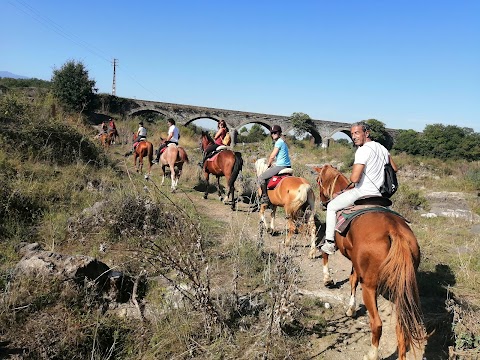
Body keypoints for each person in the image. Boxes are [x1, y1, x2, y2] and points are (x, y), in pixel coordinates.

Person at [320, 122, 398, 255]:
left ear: (366, 133)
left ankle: (330, 243)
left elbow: (354, 179)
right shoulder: (383, 149)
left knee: (332, 206)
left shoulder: (363, 150)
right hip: (381, 196)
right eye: (352, 134)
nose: (354, 137)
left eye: (357, 133)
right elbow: (395, 168)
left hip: (363, 193)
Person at [257, 125, 291, 204]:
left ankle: (265, 198)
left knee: (261, 177)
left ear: (279, 133)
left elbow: (272, 155)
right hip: (287, 165)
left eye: (275, 132)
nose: (273, 134)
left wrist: (269, 163)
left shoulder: (278, 142)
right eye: (272, 133)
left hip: (281, 166)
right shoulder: (283, 142)